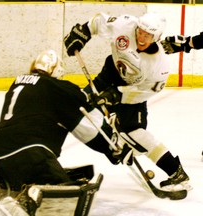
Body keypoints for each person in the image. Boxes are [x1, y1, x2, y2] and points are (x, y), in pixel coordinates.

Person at [0, 50, 134, 209]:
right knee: (64, 187)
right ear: (57, 71)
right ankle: (32, 195)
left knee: (18, 169)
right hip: (32, 151)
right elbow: (87, 125)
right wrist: (112, 147)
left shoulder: (18, 82)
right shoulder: (57, 88)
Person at [64, 12, 190, 190]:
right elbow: (100, 21)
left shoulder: (159, 67)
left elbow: (143, 92)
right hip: (109, 75)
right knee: (78, 106)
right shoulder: (126, 25)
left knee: (136, 134)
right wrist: (82, 32)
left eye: (148, 35)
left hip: (132, 93)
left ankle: (175, 171)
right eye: (140, 31)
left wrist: (113, 96)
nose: (141, 37)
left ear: (157, 37)